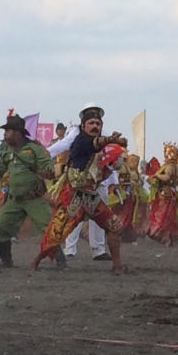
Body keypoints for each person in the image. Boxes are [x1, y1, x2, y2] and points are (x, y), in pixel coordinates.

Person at [30, 108, 128, 273]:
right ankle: (35, 262)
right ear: (83, 126)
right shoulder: (81, 141)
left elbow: (106, 162)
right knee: (56, 233)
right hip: (73, 196)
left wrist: (115, 145)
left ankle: (117, 265)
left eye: (98, 123)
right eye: (91, 123)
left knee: (114, 227)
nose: (95, 126)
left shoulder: (101, 147)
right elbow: (95, 144)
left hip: (90, 196)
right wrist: (111, 139)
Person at [0, 114, 54, 268]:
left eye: (8, 131)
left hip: (34, 198)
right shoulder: (7, 151)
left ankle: (60, 261)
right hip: (15, 199)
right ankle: (6, 260)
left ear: (18, 132)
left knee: (49, 230)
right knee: (0, 229)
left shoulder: (35, 149)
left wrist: (47, 172)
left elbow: (47, 165)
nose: (4, 134)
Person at [48, 103, 115, 260]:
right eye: (90, 118)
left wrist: (113, 180)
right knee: (74, 214)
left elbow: (109, 157)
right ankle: (70, 249)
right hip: (79, 181)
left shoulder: (104, 133)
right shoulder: (75, 134)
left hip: (99, 182)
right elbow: (63, 145)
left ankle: (98, 250)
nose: (94, 123)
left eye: (97, 118)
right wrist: (45, 153)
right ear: (83, 120)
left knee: (100, 216)